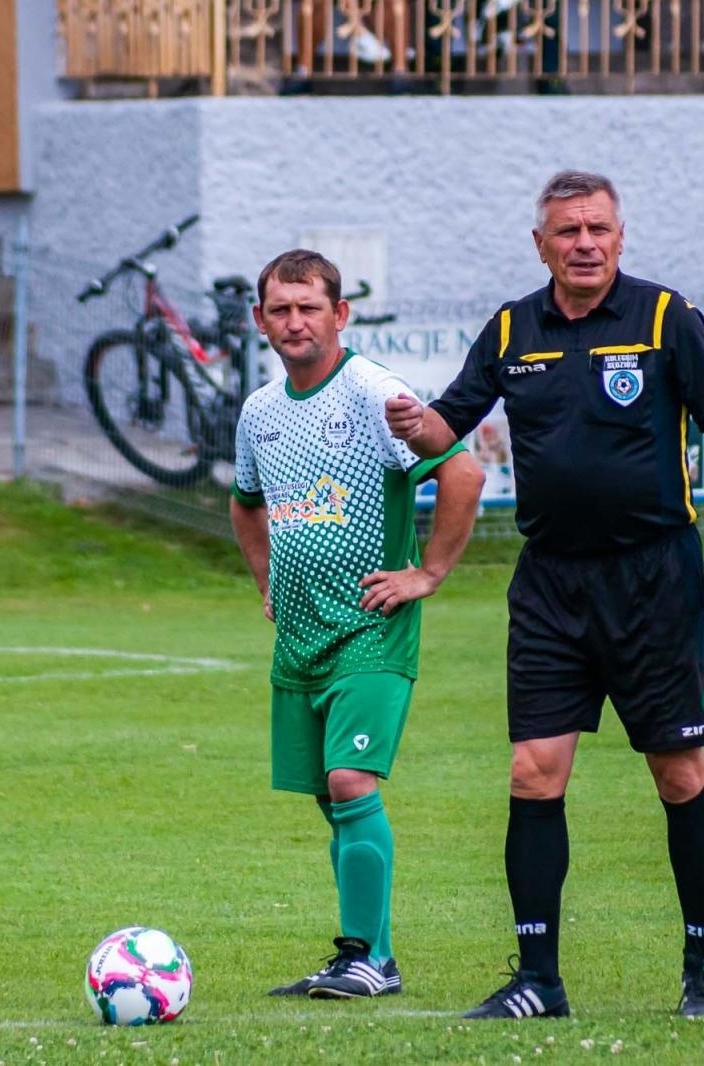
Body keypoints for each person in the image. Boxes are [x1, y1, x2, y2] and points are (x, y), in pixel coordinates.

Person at [384, 170, 704, 1019]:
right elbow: (452, 421)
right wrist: (416, 424)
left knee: (677, 773)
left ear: (620, 238)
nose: (583, 243)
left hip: (653, 578)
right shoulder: (514, 328)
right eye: (567, 231)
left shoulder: (667, 319)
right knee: (532, 773)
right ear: (540, 244)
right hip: (551, 582)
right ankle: (537, 981)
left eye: (597, 229)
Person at [230, 249, 484, 998]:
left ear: (341, 315)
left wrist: (427, 573)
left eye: (310, 307)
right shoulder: (259, 412)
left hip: (372, 628)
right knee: (332, 797)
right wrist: (265, 577)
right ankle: (372, 956)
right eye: (281, 309)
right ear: (261, 321)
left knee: (349, 780)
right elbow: (245, 503)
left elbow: (462, 470)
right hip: (301, 635)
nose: (295, 321)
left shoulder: (376, 393)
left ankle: (365, 958)